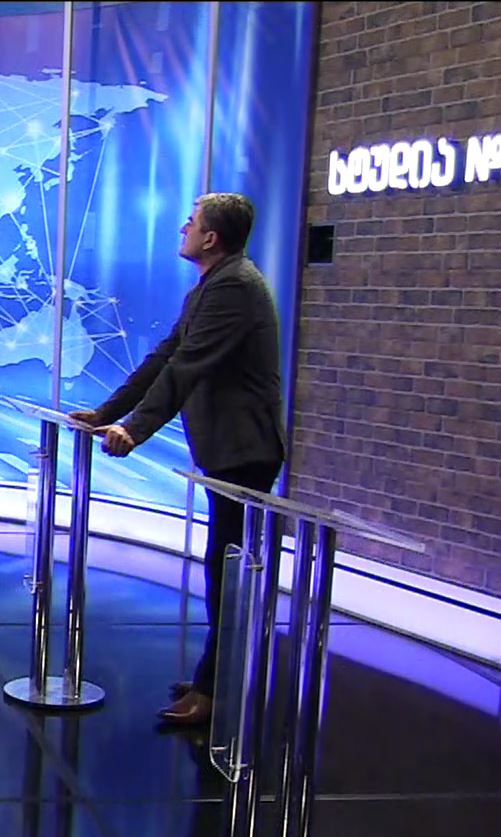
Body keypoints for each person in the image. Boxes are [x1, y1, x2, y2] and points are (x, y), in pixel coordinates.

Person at [70, 193, 286, 726]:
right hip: (226, 450)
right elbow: (164, 358)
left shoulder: (235, 287)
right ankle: (216, 678)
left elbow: (187, 367)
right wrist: (106, 412)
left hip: (244, 452)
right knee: (221, 570)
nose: (183, 228)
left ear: (210, 237)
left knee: (227, 573)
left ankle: (216, 692)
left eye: (191, 222)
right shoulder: (212, 286)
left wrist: (133, 429)